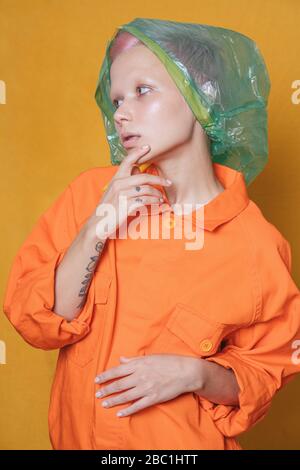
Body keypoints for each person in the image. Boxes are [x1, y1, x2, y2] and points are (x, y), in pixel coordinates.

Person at [3, 18, 300, 450]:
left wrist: (194, 374)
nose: (121, 113)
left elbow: (267, 370)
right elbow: (41, 325)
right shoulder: (91, 194)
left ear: (204, 96)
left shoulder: (255, 244)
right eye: (117, 98)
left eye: (143, 91)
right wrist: (99, 225)